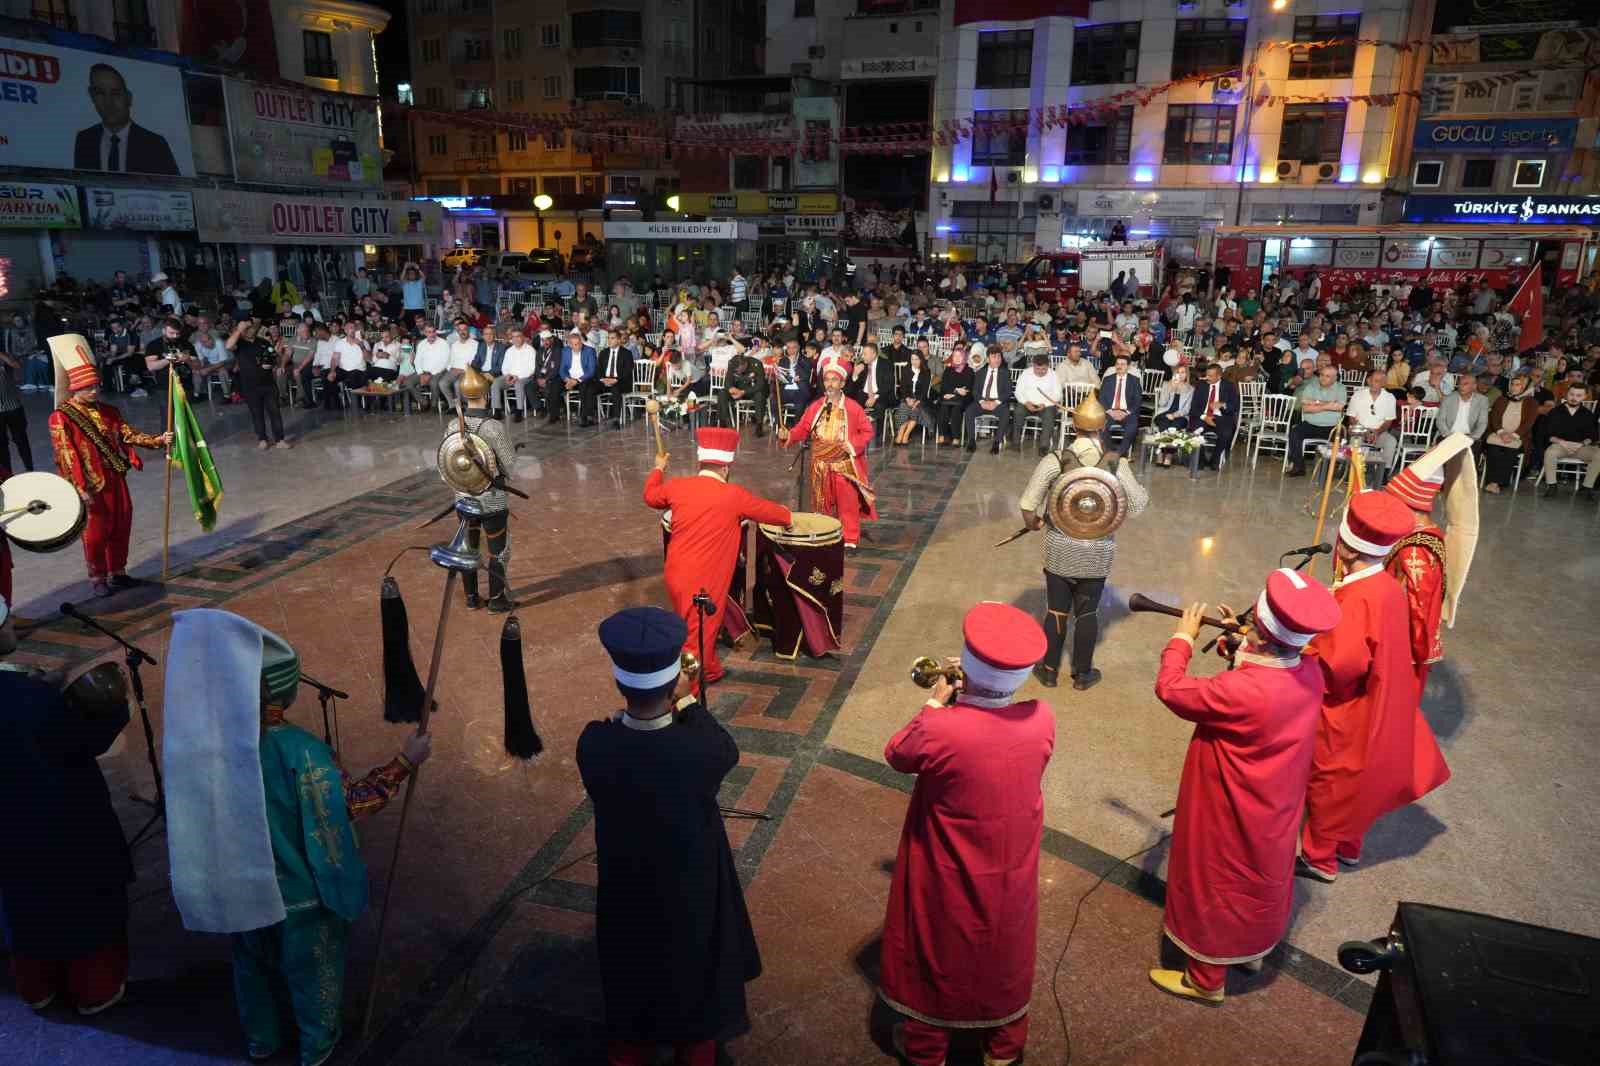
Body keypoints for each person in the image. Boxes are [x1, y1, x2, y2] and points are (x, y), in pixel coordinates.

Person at [162, 609, 430, 1066]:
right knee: (313, 974)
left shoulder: (208, 747)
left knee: (252, 969)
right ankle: (316, 1047)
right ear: (282, 689)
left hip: (242, 888)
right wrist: (405, 762)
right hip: (300, 899)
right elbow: (351, 805)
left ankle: (261, 1041)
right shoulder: (299, 749)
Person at [1148, 569, 1342, 1004]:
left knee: (1218, 877)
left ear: (1262, 630)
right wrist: (1244, 645)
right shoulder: (1310, 673)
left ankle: (1205, 978)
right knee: (1260, 875)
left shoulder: (1242, 689)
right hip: (1275, 800)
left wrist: (1181, 638)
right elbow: (1272, 667)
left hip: (1229, 801)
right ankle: (1250, 949)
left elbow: (1172, 688)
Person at [578, 607, 761, 1066]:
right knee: (694, 971)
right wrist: (688, 701)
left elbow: (618, 736)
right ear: (674, 681)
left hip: (627, 886)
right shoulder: (701, 749)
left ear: (620, 682)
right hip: (691, 887)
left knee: (630, 967)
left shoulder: (596, 745)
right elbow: (726, 748)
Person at [879, 602, 1054, 1066]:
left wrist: (939, 699)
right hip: (1011, 860)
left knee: (936, 940)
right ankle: (1004, 1047)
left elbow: (898, 753)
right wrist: (978, 692)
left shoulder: (941, 729)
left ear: (967, 668)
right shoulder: (1042, 719)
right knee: (1006, 944)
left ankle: (927, 1048)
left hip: (947, 861)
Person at [1297, 491, 1451, 882]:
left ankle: (1319, 859)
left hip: (1351, 706)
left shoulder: (1357, 597)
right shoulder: (1385, 586)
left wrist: (1300, 651)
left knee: (1333, 779)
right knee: (1361, 778)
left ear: (1347, 548)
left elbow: (1338, 666)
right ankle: (1349, 846)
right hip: (1383, 699)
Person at [0, 606, 134, 1016]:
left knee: (20, 903)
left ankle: (37, 989)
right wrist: (113, 706)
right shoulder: (32, 699)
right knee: (83, 905)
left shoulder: (28, 694)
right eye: (3, 622)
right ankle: (94, 990)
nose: (11, 625)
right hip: (60, 823)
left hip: (8, 834)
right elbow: (84, 740)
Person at [643, 427, 792, 684]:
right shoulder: (734, 495)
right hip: (704, 582)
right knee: (696, 638)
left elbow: (650, 496)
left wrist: (658, 468)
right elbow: (774, 514)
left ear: (702, 461)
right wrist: (788, 516)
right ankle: (684, 698)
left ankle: (710, 669)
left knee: (695, 627)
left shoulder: (678, 486)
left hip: (675, 573)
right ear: (725, 468)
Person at [1019, 392, 1148, 690]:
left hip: (1059, 549)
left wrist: (1036, 523)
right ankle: (1082, 674)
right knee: (1088, 612)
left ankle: (1049, 670)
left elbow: (1028, 505)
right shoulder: (1117, 463)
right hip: (1098, 550)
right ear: (1102, 427)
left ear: (1074, 426)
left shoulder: (1056, 459)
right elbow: (1138, 505)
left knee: (1056, 610)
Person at [47, 335, 172, 597]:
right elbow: (67, 455)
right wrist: (79, 487)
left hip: (115, 476)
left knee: (121, 523)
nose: (94, 391)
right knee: (94, 533)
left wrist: (158, 440)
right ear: (74, 388)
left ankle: (119, 572)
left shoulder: (109, 411)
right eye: (87, 387)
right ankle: (98, 577)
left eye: (95, 386)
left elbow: (127, 434)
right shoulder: (61, 417)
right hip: (90, 484)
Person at [1384, 435, 1478, 693]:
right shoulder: (1426, 533)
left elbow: (1417, 607)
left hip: (1404, 644)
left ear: (1410, 506)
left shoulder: (1415, 550)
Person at [777, 355, 877, 550]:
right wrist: (787, 435)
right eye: (826, 380)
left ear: (842, 383)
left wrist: (852, 444)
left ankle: (849, 538)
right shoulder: (816, 407)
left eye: (834, 380)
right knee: (821, 503)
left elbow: (867, 431)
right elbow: (802, 429)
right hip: (820, 465)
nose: (829, 384)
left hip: (843, 466)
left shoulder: (853, 408)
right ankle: (824, 533)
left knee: (848, 503)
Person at [454, 366, 519, 612]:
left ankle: (471, 597)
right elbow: (510, 465)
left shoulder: (453, 425)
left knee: (468, 548)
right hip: (492, 501)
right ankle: (497, 599)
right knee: (498, 551)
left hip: (463, 499)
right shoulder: (493, 427)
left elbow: (447, 465)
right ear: (487, 395)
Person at [73, 62, 180, 175]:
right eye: (100, 93)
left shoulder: (155, 145)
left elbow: (174, 189)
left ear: (128, 98)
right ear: (92, 96)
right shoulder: (84, 140)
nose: (108, 102)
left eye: (116, 93)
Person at [225, 319, 292, 450]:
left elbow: (274, 357)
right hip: (250, 385)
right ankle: (262, 438)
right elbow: (228, 346)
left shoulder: (263, 342)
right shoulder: (239, 343)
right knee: (256, 413)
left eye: (252, 328)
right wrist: (238, 330)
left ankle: (280, 439)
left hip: (268, 383)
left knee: (274, 411)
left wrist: (272, 362)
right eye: (247, 328)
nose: (250, 330)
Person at [1537, 381, 1599, 498]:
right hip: (1560, 446)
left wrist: (1581, 444)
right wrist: (1563, 443)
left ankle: (1587, 486)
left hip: (1580, 448)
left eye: (1578, 395)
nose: (1574, 398)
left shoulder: (1588, 414)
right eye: (1572, 394)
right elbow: (1547, 434)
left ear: (1585, 397)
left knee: (1599, 454)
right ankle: (1552, 485)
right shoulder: (1555, 412)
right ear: (1567, 394)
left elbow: (1593, 436)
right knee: (1550, 452)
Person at [1285, 364, 1346, 476]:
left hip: (1331, 427)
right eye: (1321, 375)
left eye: (1327, 376)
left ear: (1334, 378)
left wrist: (1315, 402)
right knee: (1294, 433)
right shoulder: (1311, 387)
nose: (1322, 378)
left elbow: (1339, 407)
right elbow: (1306, 408)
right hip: (1311, 424)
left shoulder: (1341, 388)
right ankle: (1299, 467)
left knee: (1341, 436)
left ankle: (1332, 470)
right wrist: (1328, 405)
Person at [1345, 368, 1399, 475]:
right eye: (1375, 380)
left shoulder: (1390, 397)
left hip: (1379, 432)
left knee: (1391, 441)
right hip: (1359, 430)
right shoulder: (1358, 395)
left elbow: (1388, 421)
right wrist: (1364, 431)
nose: (1378, 384)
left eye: (1381, 381)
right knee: (1356, 441)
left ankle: (1383, 472)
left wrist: (1377, 432)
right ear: (1369, 381)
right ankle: (1353, 472)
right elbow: (1351, 418)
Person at [1186, 362, 1240, 470]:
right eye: (1207, 375)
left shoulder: (1229, 386)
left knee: (1226, 433)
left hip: (1221, 417)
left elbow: (1235, 406)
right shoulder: (1201, 385)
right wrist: (1204, 417)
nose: (1207, 378)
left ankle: (1215, 459)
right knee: (1194, 431)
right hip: (1203, 416)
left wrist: (1223, 404)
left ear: (1219, 376)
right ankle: (1201, 461)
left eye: (1210, 376)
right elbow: (1193, 408)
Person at [966, 345, 1015, 454]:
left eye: (999, 357)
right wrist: (982, 401)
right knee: (969, 411)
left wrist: (996, 402)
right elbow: (975, 391)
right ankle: (971, 441)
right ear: (987, 359)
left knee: (1006, 413)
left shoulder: (1005, 373)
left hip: (997, 403)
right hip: (982, 402)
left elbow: (1008, 392)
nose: (997, 359)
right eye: (994, 357)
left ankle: (996, 442)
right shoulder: (980, 372)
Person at [1014, 351, 1063, 456]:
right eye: (1037, 369)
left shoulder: (1053, 375)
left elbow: (1058, 394)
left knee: (1049, 415)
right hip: (1027, 403)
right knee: (1018, 411)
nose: (1040, 371)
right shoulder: (1026, 373)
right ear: (1033, 366)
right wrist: (1026, 402)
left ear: (1048, 366)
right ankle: (1015, 442)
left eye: (1044, 369)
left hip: (1046, 405)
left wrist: (1044, 403)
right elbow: (1018, 391)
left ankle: (1044, 446)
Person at [719, 338, 769, 437]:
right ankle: (723, 422)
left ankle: (759, 426)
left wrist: (743, 392)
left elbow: (761, 385)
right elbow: (727, 381)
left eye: (739, 370)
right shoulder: (732, 363)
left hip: (752, 390)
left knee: (760, 395)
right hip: (738, 390)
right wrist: (731, 389)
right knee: (722, 393)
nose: (737, 372)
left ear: (744, 364)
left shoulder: (756, 364)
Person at [848, 341, 897, 439]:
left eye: (865, 354)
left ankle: (871, 426)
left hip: (881, 394)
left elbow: (888, 385)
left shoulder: (886, 364)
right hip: (865, 393)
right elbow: (854, 387)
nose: (863, 356)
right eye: (863, 353)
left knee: (880, 405)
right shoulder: (862, 365)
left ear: (874, 354)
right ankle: (854, 431)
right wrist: (855, 374)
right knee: (852, 405)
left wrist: (875, 396)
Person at [548, 328, 597, 424]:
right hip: (569, 379)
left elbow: (591, 371)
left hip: (583, 379)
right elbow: (562, 369)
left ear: (581, 342)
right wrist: (567, 379)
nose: (577, 346)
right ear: (569, 344)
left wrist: (577, 380)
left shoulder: (589, 351)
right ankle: (554, 415)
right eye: (574, 344)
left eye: (578, 343)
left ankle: (584, 417)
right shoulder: (565, 351)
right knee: (554, 384)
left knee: (585, 387)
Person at [1098, 354, 1141, 457]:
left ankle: (1119, 453)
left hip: (1126, 413)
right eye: (1117, 364)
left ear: (1128, 366)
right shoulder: (1108, 379)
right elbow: (1101, 398)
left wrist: (1125, 412)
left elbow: (1137, 400)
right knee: (1100, 426)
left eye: (1122, 364)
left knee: (1132, 426)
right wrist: (1110, 411)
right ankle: (1109, 451)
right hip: (1110, 411)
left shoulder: (1134, 380)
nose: (1119, 366)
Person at [892, 346, 935, 445]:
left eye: (916, 359)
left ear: (921, 359)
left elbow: (924, 391)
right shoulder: (906, 370)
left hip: (920, 400)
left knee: (915, 409)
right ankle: (901, 433)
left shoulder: (926, 372)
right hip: (907, 398)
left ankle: (906, 434)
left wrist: (917, 401)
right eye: (912, 359)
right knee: (904, 407)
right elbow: (902, 388)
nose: (914, 361)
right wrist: (907, 399)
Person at [935, 345, 974, 444]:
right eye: (954, 356)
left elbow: (967, 388)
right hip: (948, 397)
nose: (956, 358)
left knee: (956, 409)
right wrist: (956, 390)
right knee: (943, 407)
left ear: (964, 357)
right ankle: (942, 434)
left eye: (959, 356)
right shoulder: (948, 370)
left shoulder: (969, 371)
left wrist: (954, 392)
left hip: (963, 399)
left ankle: (956, 437)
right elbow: (944, 386)